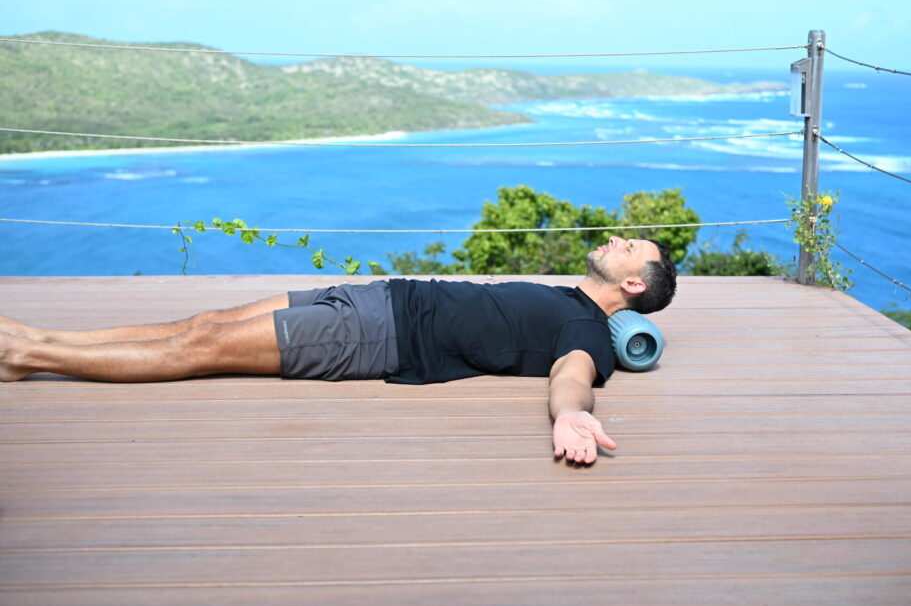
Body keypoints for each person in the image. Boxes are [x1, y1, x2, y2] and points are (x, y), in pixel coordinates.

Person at [0, 236, 676, 464]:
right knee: (206, 320)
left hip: (377, 335)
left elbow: (572, 375)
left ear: (633, 284)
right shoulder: (567, 296)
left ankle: (27, 357)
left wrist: (569, 414)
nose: (619, 240)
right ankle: (38, 339)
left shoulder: (588, 332)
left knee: (203, 345)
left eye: (631, 249)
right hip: (379, 296)